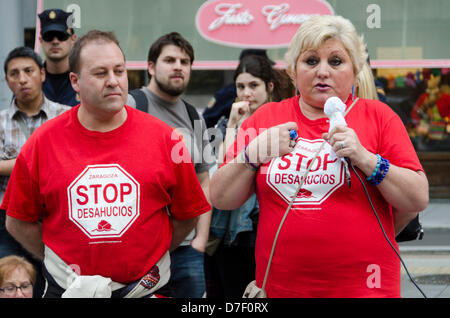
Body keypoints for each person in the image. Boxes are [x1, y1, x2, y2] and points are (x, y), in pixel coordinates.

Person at [209, 15, 429, 297]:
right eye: (311, 61)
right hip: (280, 289)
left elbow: (417, 199)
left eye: (336, 61)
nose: (322, 71)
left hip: (366, 290)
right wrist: (254, 152)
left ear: (355, 69)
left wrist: (365, 158)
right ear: (292, 70)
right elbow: (221, 198)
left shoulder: (379, 117)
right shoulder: (267, 117)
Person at [1, 30, 211, 298]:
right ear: (75, 81)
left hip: (146, 290)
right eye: (101, 73)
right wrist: (58, 259)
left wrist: (152, 254)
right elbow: (17, 221)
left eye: (119, 71)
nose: (113, 81)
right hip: (67, 289)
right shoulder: (42, 142)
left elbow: (189, 211)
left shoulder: (166, 138)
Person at [127, 32, 213, 298]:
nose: (178, 66)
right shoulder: (132, 105)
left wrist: (200, 241)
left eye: (185, 61)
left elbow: (204, 181)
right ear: (151, 67)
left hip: (187, 251)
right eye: (170, 60)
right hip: (139, 249)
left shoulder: (192, 114)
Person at [205, 54, 286, 298]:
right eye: (241, 86)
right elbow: (224, 170)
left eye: (253, 85)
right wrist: (232, 126)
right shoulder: (227, 122)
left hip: (262, 228)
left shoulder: (281, 124)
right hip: (227, 233)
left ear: (269, 87)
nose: (246, 93)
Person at [0, 46, 70, 297]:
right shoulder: (0, 122)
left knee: (58, 286)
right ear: (7, 81)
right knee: (10, 287)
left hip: (57, 218)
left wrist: (13, 164)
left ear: (42, 74)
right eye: (14, 73)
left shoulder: (66, 116)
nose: (22, 79)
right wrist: (41, 159)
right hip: (8, 221)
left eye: (28, 71)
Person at [38, 9, 79, 106]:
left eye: (61, 36)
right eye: (49, 36)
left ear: (73, 39)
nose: (55, 41)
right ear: (40, 40)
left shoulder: (84, 78)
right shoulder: (32, 80)